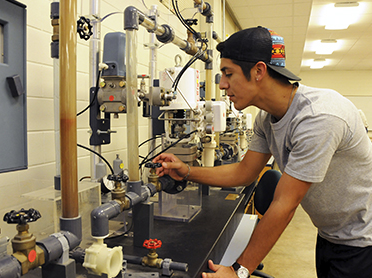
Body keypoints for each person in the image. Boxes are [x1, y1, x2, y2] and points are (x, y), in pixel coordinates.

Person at [153, 26, 372, 278]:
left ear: (258, 71)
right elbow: (244, 172)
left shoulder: (318, 118)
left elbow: (284, 205)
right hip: (331, 234)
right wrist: (187, 171)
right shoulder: (266, 119)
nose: (222, 84)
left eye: (228, 73)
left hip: (363, 241)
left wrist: (239, 271)